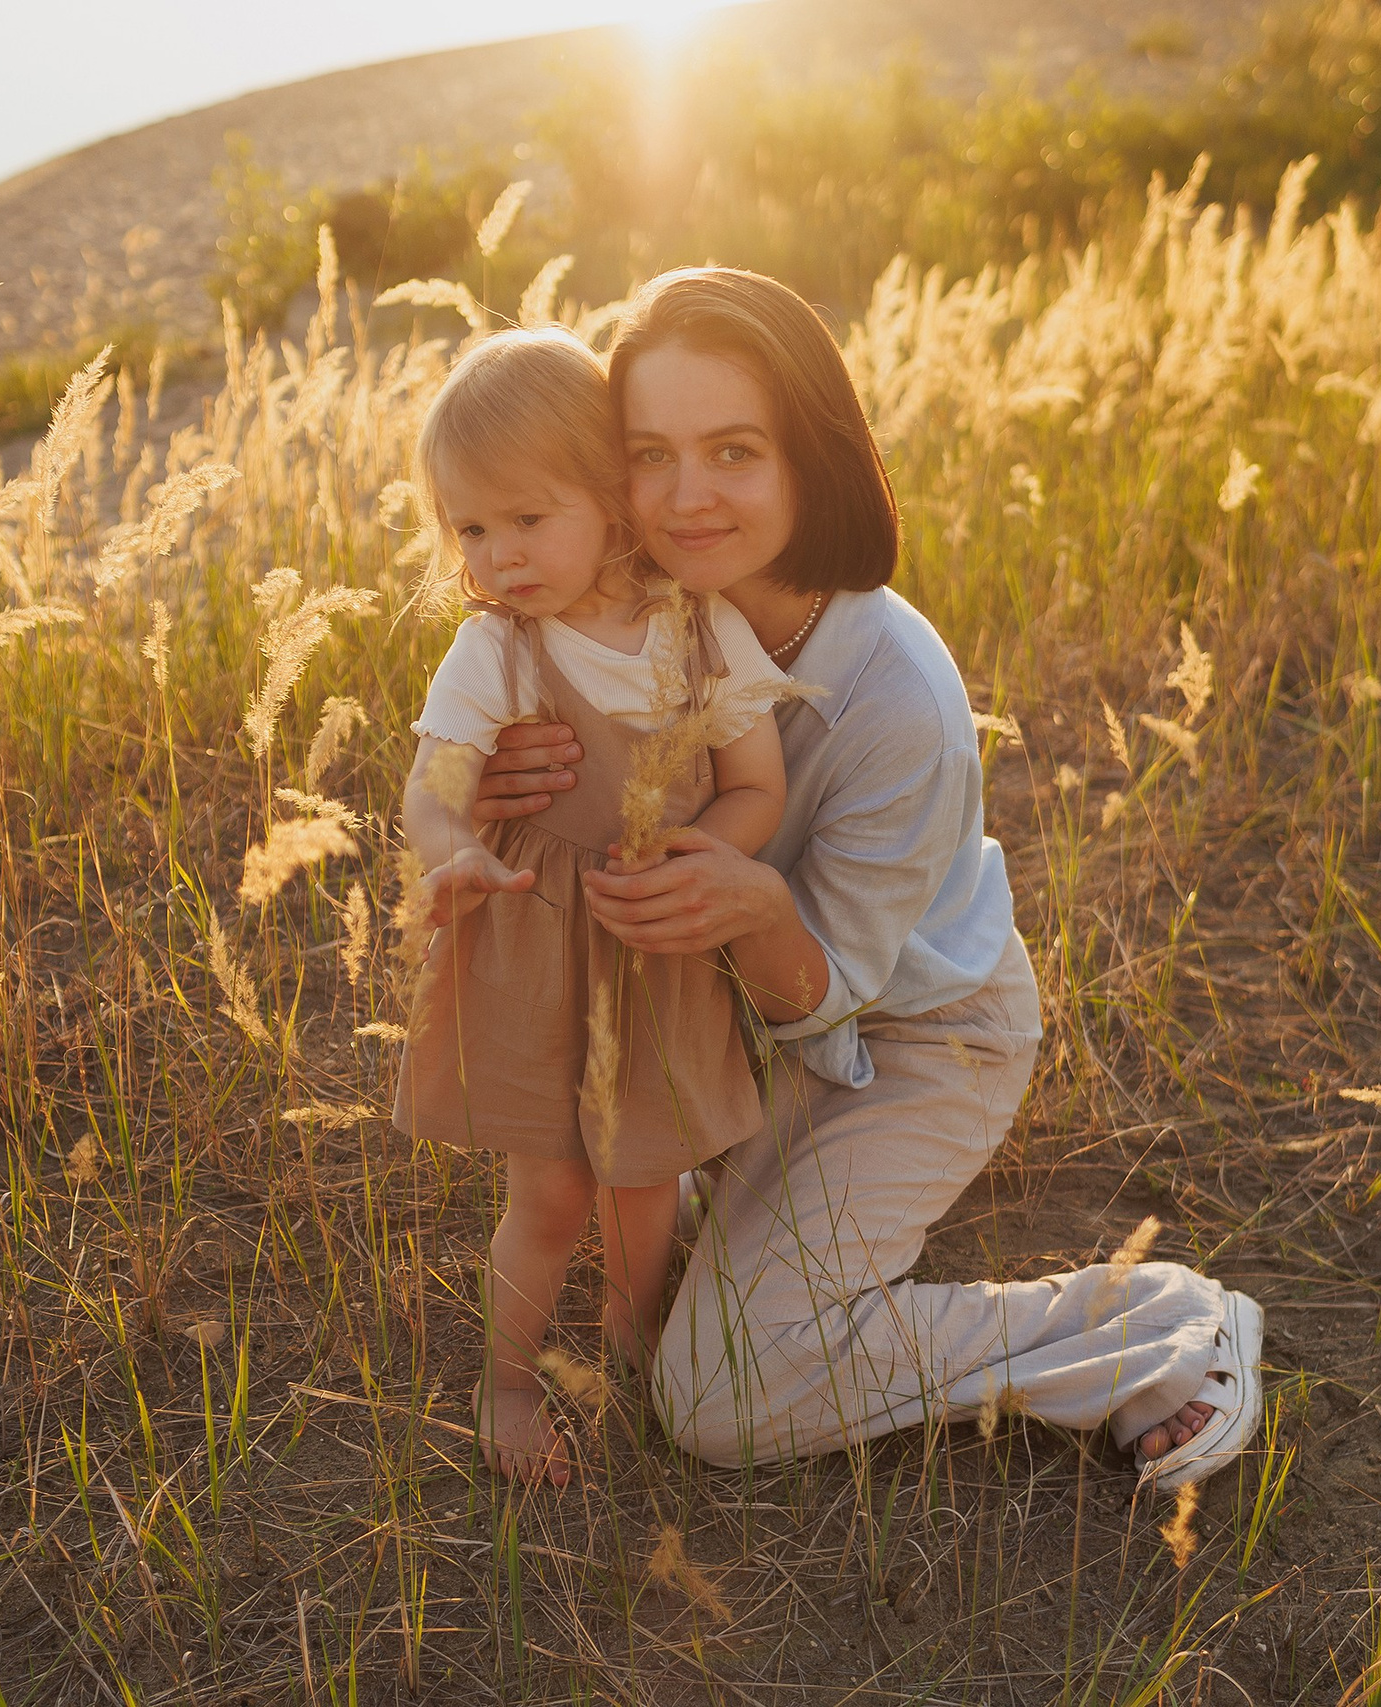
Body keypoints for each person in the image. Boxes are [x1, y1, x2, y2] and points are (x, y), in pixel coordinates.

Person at [467, 270, 1265, 1489]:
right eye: (648, 454)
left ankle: (1160, 1325)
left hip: (904, 1032)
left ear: (809, 457)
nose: (686, 498)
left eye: (734, 451)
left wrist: (759, 909)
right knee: (645, 1222)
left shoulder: (899, 699)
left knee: (722, 1394)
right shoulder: (617, 612)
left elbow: (828, 992)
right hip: (720, 1021)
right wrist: (509, 784)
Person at [393, 328, 796, 1486]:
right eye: (471, 527)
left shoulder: (699, 628)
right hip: (532, 942)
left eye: (528, 518)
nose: (499, 554)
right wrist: (455, 852)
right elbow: (432, 790)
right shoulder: (497, 650)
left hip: (652, 935)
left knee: (641, 1170)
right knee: (553, 1182)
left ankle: (630, 1337)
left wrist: (699, 862)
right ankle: (508, 1385)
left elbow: (755, 787)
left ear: (613, 504)